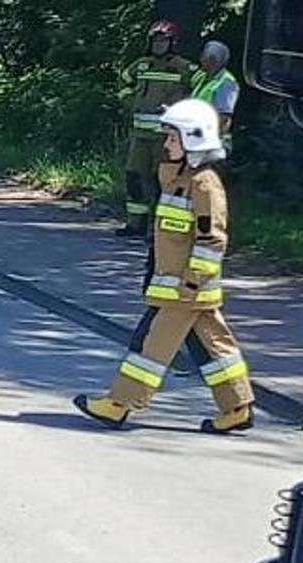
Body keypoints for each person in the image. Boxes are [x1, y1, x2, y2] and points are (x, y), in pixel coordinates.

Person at [76, 99, 253, 435]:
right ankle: (237, 407)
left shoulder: (204, 184)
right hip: (180, 287)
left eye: (173, 138)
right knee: (214, 348)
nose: (166, 144)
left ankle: (119, 404)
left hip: (183, 290)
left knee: (149, 348)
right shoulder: (181, 179)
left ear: (193, 141)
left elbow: (211, 239)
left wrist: (190, 284)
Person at [115, 20, 198, 238]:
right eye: (155, 40)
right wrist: (130, 101)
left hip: (166, 138)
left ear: (172, 43)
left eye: (163, 41)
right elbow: (123, 82)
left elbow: (203, 89)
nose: (158, 45)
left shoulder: (184, 67)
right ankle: (135, 223)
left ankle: (158, 226)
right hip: (140, 136)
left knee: (161, 181)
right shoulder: (142, 65)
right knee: (134, 177)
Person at [193, 40, 239, 146]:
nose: (201, 59)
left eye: (205, 57)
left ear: (214, 60)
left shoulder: (226, 82)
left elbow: (223, 116)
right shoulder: (203, 78)